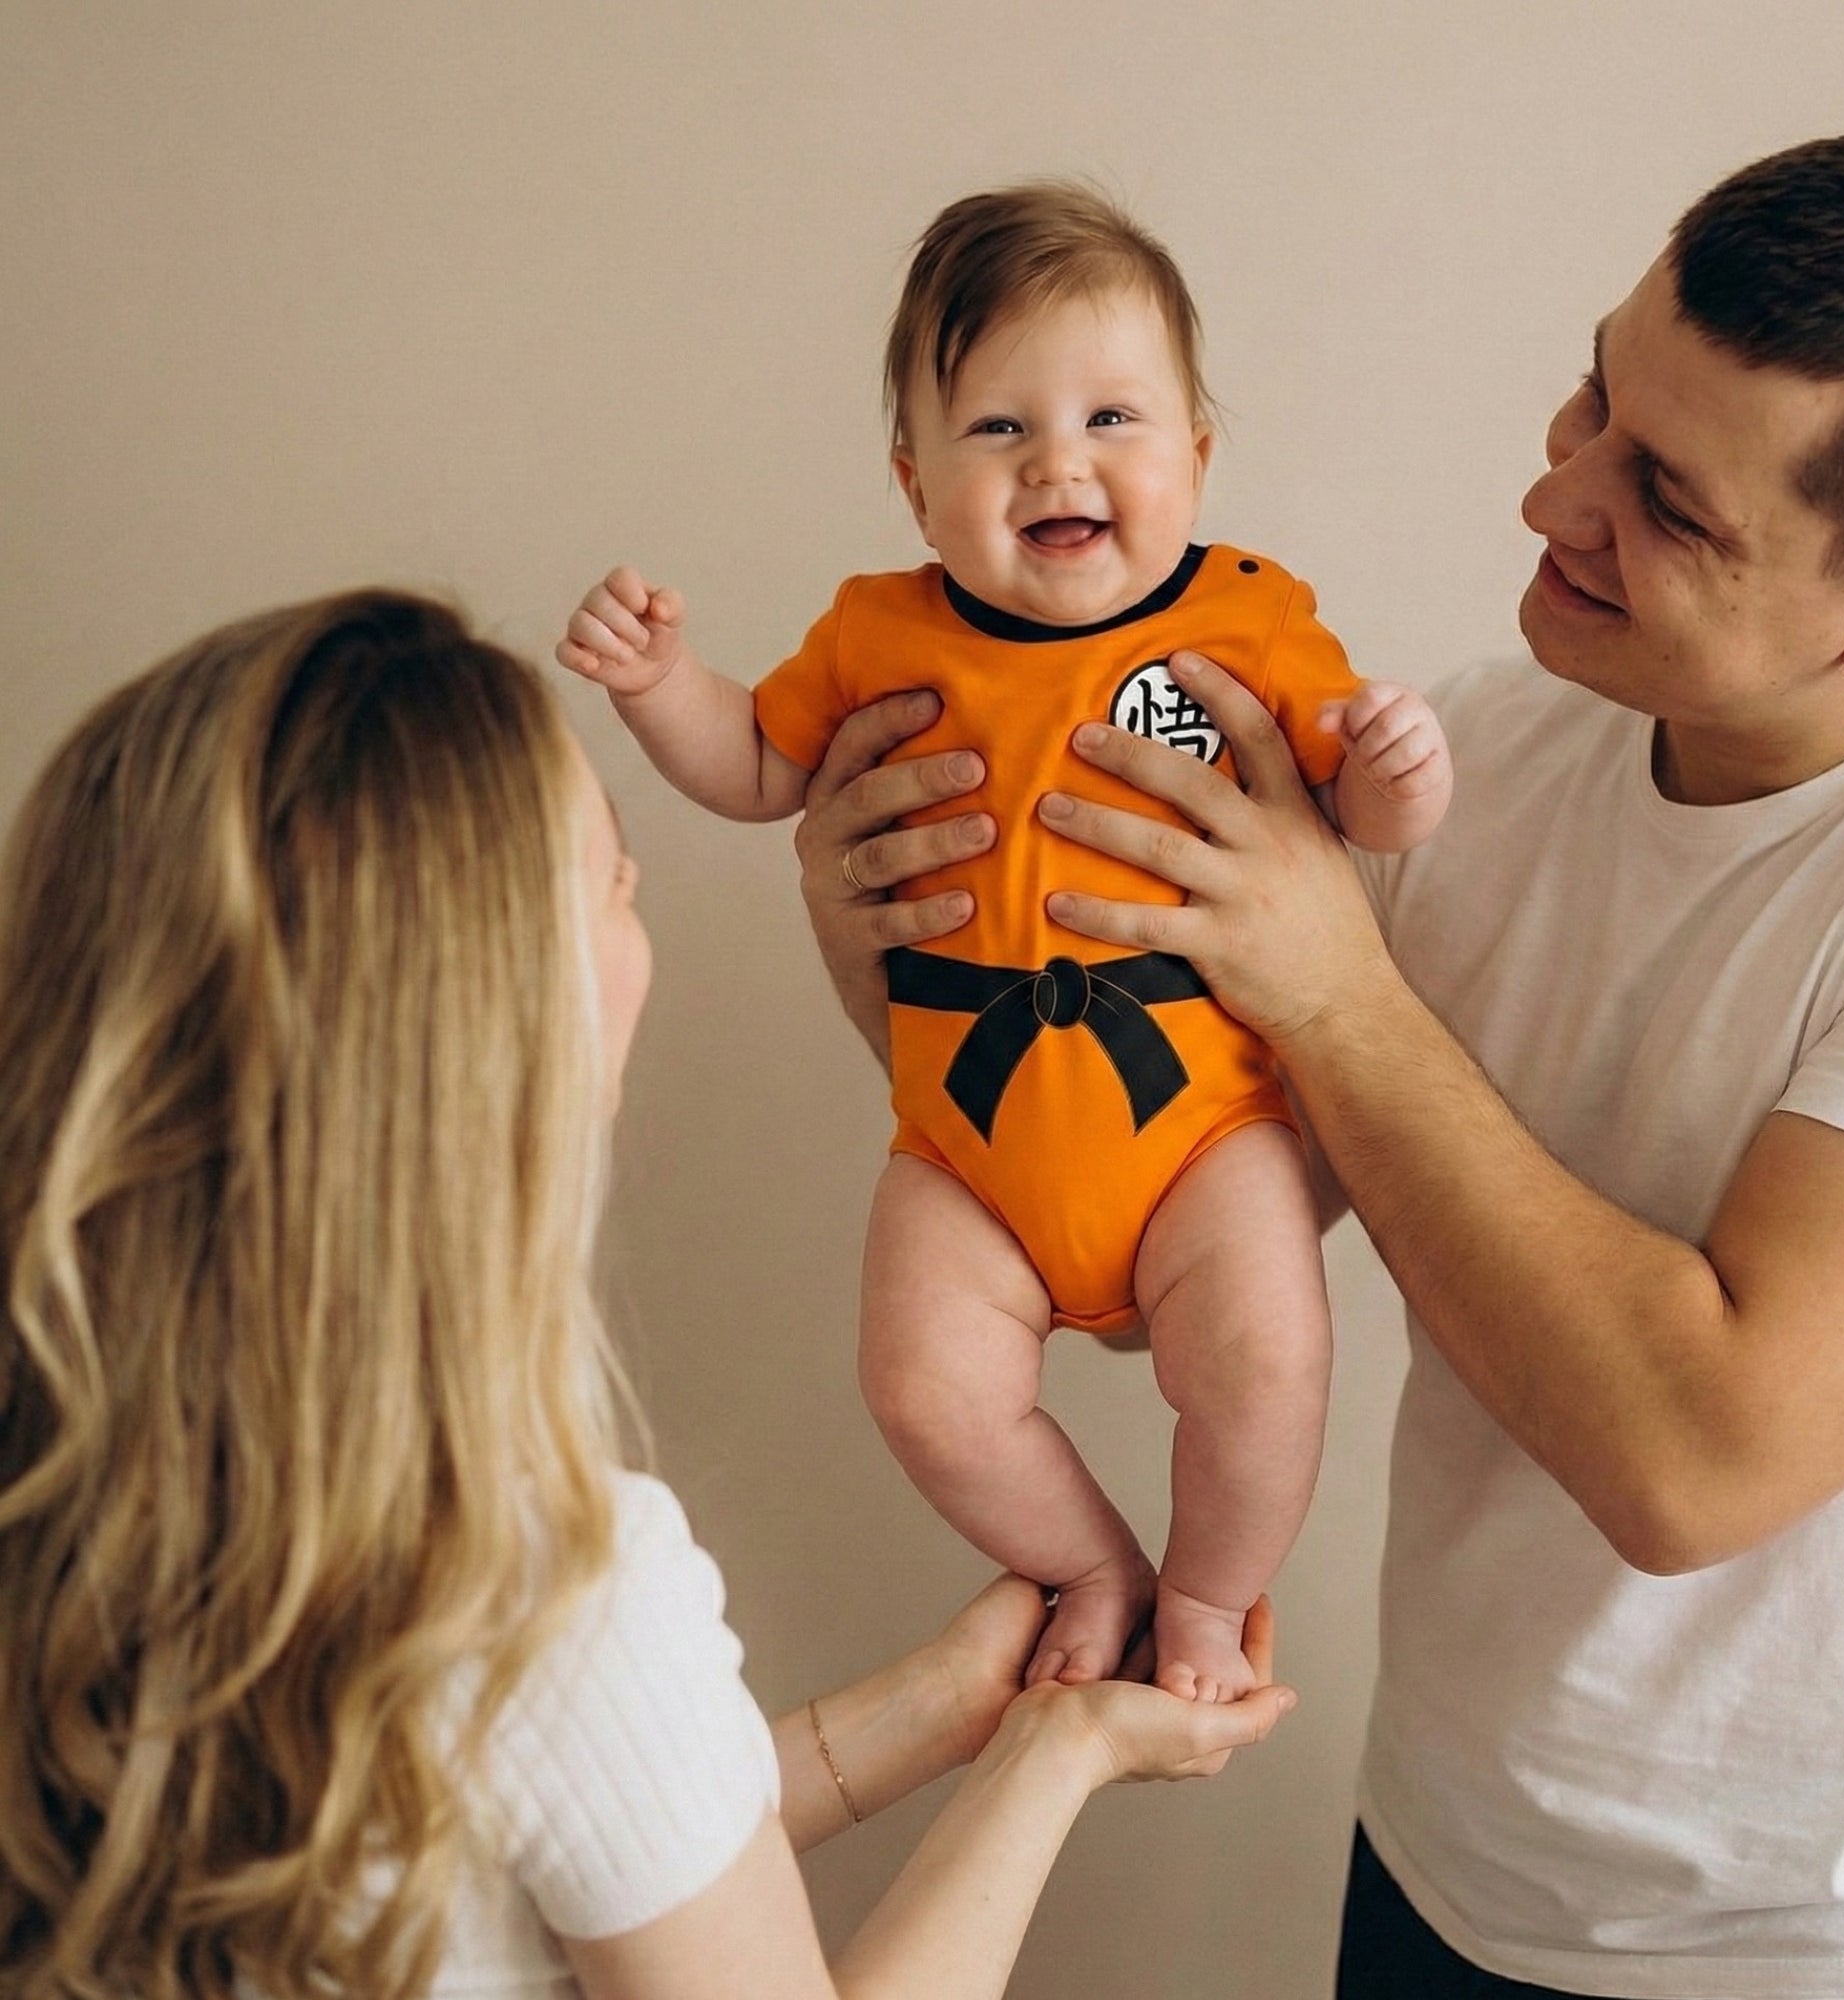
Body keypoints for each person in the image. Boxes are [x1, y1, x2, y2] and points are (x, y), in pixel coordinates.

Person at [794, 123, 1844, 1998]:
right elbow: (1123, 1258)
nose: (1554, 498)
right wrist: (866, 937)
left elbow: (1693, 1463)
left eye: (1669, 502)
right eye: (1594, 398)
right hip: (1441, 1852)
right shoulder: (1489, 749)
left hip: (1821, 1943)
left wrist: (1337, 992)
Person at [0, 589, 1294, 2000]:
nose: (639, 931)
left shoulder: (73, 1491)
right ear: (502, 1025)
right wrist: (1060, 1755)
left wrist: (942, 1704)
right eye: (617, 880)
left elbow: (567, 1833)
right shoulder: (535, 1591)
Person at [557, 181, 1452, 1703]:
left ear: (1197, 458)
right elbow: (758, 768)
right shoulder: (878, 632)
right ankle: (1093, 1566)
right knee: (921, 1386)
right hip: (966, 1138)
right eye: (997, 428)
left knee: (1266, 1363)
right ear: (917, 489)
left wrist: (1397, 769)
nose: (1059, 461)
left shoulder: (1246, 622)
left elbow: (1353, 811)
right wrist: (659, 687)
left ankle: (1206, 1598)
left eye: (1113, 418)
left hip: (1199, 1123)